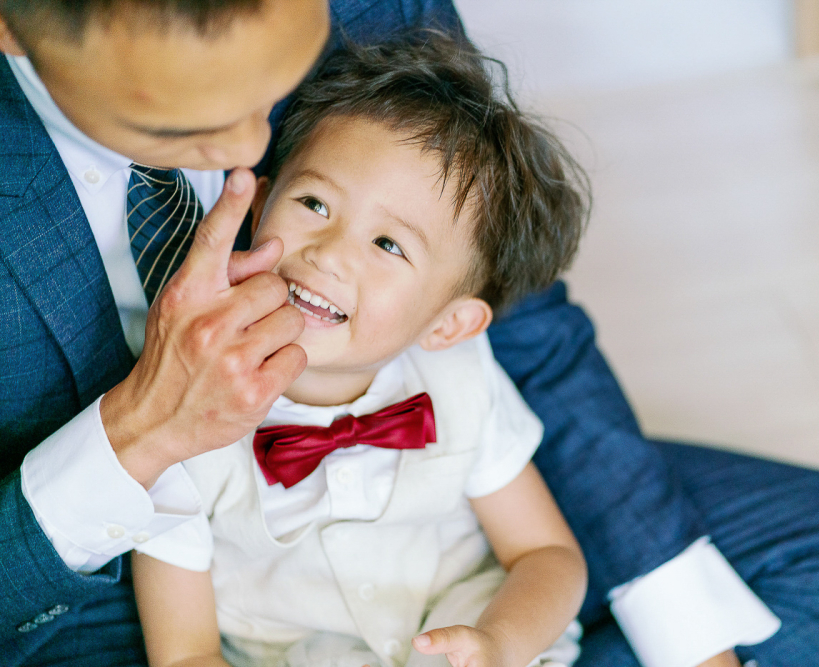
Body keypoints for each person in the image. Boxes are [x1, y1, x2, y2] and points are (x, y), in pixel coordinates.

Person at [0, 1, 819, 666]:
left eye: (272, 96)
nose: (255, 149)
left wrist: (523, 643)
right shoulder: (200, 464)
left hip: (463, 599)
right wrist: (139, 435)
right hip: (75, 591)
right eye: (185, 117)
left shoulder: (457, 376)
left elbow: (542, 540)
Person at [131, 36, 589, 667]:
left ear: (451, 323)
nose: (329, 252)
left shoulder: (460, 380)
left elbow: (547, 557)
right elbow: (184, 654)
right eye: (314, 204)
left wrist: (497, 643)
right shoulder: (183, 410)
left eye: (388, 244)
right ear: (259, 209)